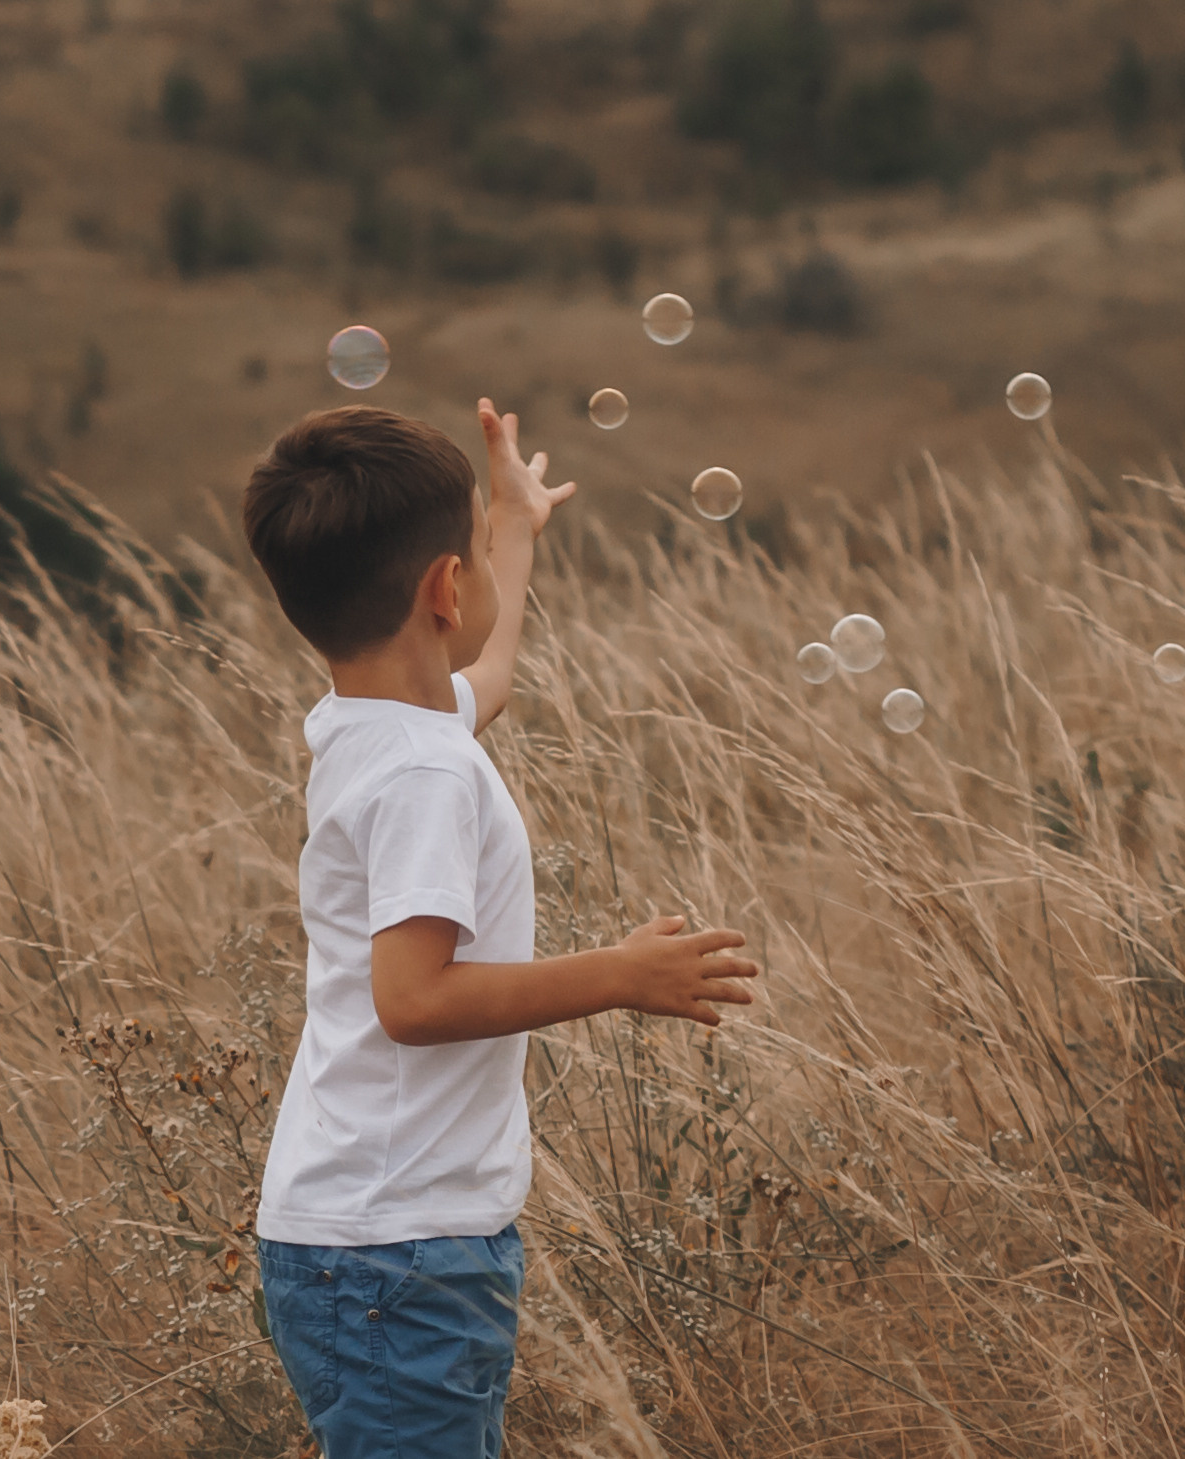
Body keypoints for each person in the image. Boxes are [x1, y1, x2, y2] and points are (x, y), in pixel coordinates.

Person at [240, 400, 759, 1458]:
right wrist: (618, 973)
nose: (486, 563)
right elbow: (415, 998)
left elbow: (491, 677)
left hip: (387, 1237)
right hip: (396, 1253)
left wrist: (513, 529)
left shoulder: (377, 724)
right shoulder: (423, 772)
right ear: (442, 589)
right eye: (475, 547)